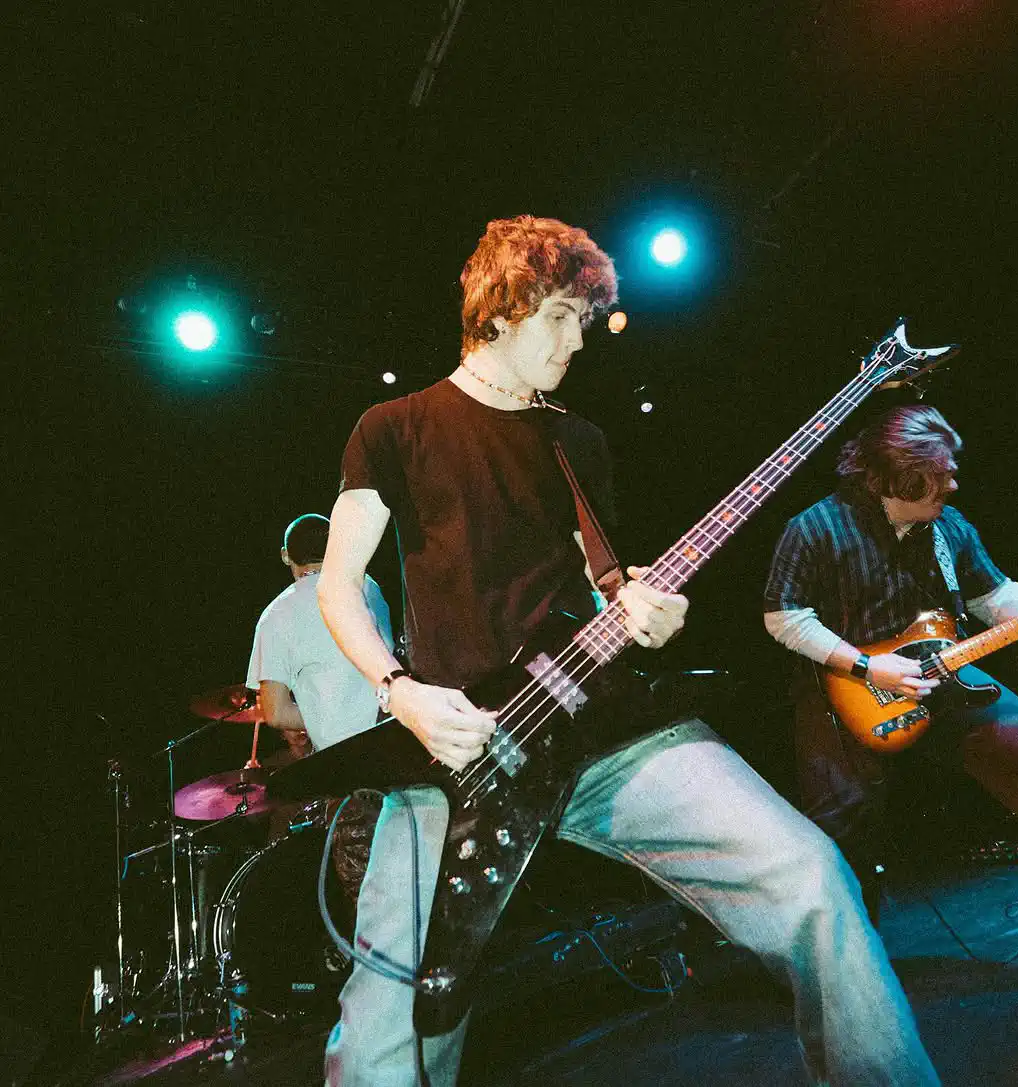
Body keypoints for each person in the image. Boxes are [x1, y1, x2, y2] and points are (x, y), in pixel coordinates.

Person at [317, 215, 941, 1087]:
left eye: (583, 320)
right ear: (501, 308)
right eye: (560, 317)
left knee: (809, 876)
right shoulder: (396, 427)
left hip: (603, 728)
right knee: (388, 1026)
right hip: (460, 752)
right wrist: (401, 691)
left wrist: (644, 608)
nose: (578, 340)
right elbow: (338, 585)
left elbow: (603, 579)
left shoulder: (577, 441)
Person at [764, 404, 1018, 897]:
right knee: (838, 835)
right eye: (940, 475)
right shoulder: (816, 527)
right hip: (845, 693)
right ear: (902, 477)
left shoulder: (949, 526)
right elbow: (784, 617)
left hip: (944, 673)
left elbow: (996, 600)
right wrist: (866, 666)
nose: (953, 485)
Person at [246, 513, 394, 753]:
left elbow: (275, 713)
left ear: (285, 555)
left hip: (342, 757)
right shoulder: (367, 585)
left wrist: (322, 720)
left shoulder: (275, 614)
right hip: (393, 734)